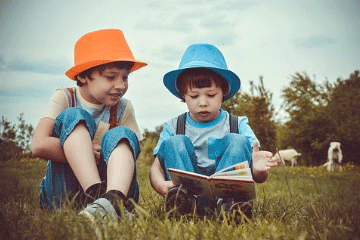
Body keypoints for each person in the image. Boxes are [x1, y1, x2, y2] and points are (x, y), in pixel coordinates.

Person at [149, 43, 278, 218]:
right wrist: (160, 185)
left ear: (223, 92)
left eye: (211, 95)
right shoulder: (173, 126)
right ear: (183, 95)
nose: (202, 102)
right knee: (174, 142)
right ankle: (184, 205)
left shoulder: (237, 124)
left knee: (237, 140)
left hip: (227, 196)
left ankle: (230, 207)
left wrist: (259, 169)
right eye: (194, 96)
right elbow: (156, 167)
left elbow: (258, 176)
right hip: (188, 195)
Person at [31, 29, 147, 221]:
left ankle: (113, 200)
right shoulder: (65, 97)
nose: (120, 85)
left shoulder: (124, 107)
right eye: (111, 77)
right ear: (84, 76)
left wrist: (109, 152)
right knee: (73, 116)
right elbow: (39, 144)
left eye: (125, 77)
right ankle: (99, 198)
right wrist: (84, 152)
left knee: (122, 134)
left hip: (114, 186)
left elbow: (132, 150)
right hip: (65, 194)